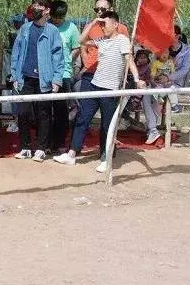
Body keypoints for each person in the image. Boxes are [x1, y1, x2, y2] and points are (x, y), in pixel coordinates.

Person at [54, 10, 145, 171]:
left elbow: (129, 60)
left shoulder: (122, 40)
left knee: (107, 125)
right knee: (82, 118)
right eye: (101, 25)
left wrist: (137, 79)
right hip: (94, 85)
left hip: (110, 89)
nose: (103, 27)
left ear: (115, 24)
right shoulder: (101, 40)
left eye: (105, 24)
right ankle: (72, 154)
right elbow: (81, 41)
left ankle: (105, 157)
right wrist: (93, 23)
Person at [9, 0, 64, 162]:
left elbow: (58, 57)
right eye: (34, 4)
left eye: (39, 5)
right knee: (23, 113)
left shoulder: (53, 31)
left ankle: (41, 148)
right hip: (25, 77)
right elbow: (16, 52)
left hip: (44, 79)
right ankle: (25, 147)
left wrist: (57, 79)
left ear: (47, 10)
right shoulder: (25, 29)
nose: (35, 7)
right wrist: (14, 74)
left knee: (44, 114)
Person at [49, 0, 80, 153]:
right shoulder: (46, 26)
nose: (56, 20)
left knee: (61, 110)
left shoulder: (72, 28)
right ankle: (46, 142)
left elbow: (77, 47)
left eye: (60, 17)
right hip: (46, 73)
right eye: (54, 17)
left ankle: (60, 142)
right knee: (45, 110)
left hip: (64, 73)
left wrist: (67, 59)